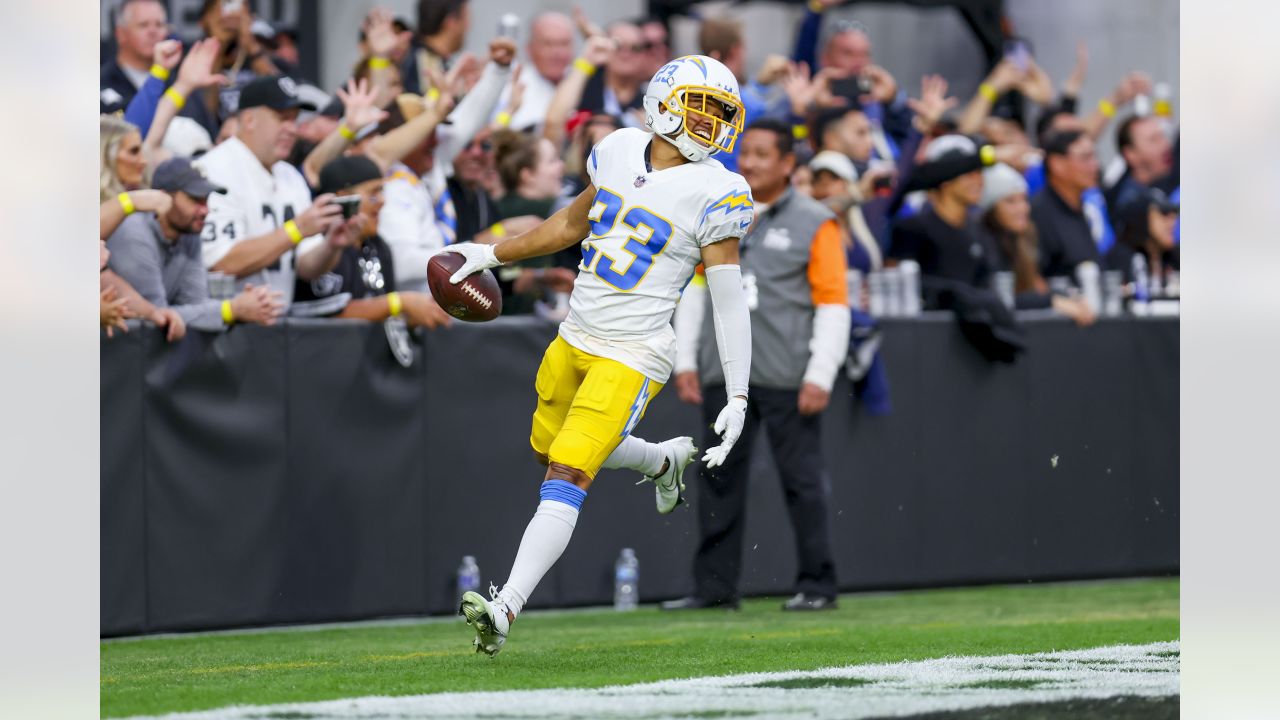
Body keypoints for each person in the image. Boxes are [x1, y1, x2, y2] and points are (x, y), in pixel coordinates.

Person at [441, 54, 755, 656]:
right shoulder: (615, 149)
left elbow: (728, 300)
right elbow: (568, 225)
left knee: (568, 474)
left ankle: (504, 608)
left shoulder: (719, 190)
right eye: (701, 106)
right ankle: (660, 463)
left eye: (721, 113)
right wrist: (490, 255)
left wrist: (739, 392)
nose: (711, 124)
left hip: (634, 352)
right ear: (665, 101)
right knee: (548, 450)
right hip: (574, 336)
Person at [666, 118, 849, 611]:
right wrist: (685, 358)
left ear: (789, 163)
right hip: (724, 375)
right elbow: (696, 289)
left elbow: (833, 302)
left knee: (802, 482)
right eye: (746, 153)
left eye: (763, 154)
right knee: (717, 480)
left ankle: (817, 586)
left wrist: (820, 372)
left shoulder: (816, 221)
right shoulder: (719, 210)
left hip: (787, 374)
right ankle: (714, 590)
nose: (749, 162)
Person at [195, 75, 361, 307]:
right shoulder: (213, 170)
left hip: (276, 328)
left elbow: (306, 266)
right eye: (282, 118)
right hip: (222, 327)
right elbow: (221, 262)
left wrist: (331, 246)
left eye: (294, 119)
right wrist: (296, 230)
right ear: (250, 119)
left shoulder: (290, 176)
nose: (291, 129)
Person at [106, 157, 283, 332]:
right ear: (161, 197)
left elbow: (195, 304)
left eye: (206, 200)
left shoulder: (189, 233)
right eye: (195, 200)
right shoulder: (133, 232)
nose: (205, 210)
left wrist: (243, 305)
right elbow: (157, 317)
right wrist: (231, 309)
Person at [294, 156, 453, 327]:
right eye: (373, 193)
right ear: (344, 198)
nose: (383, 201)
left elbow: (384, 317)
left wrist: (415, 313)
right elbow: (325, 318)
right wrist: (397, 304)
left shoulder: (378, 246)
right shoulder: (320, 246)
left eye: (382, 191)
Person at [975, 163, 1095, 326]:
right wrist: (1052, 301)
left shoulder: (1025, 238)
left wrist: (1066, 296)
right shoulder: (983, 245)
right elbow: (1000, 301)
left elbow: (1036, 289)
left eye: (1024, 199)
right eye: (1010, 201)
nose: (1022, 208)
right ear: (991, 209)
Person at [887, 136, 998, 307]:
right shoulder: (913, 228)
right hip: (928, 327)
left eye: (980, 173)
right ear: (946, 180)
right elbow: (895, 284)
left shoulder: (979, 228)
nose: (979, 181)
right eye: (969, 174)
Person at [489, 130, 577, 315]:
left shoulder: (495, 205)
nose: (561, 166)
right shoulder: (546, 210)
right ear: (527, 174)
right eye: (552, 161)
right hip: (511, 325)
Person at [1030, 130, 1103, 280]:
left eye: (1094, 157)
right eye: (1085, 158)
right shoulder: (1038, 214)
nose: (1095, 166)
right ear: (1057, 164)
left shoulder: (1082, 207)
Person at [1106, 187, 1180, 291]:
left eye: (1173, 216)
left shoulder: (1175, 259)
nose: (1172, 223)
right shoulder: (1121, 258)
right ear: (1141, 218)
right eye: (1164, 214)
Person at [578, 21, 649, 127]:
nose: (626, 54)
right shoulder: (584, 87)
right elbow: (554, 122)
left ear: (644, 54)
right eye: (617, 46)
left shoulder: (651, 96)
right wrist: (586, 60)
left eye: (635, 48)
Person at [1105, 115, 1173, 226]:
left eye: (1162, 136)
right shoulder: (1128, 206)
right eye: (1153, 140)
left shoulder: (1163, 182)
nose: (1165, 145)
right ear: (1131, 154)